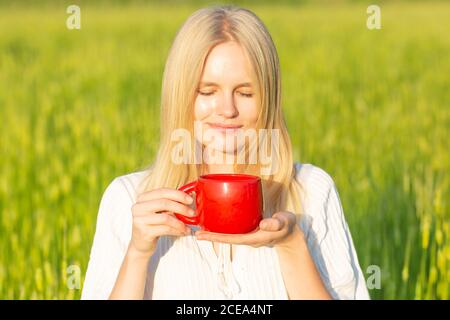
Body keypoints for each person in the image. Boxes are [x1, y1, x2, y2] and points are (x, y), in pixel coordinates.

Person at [81, 5, 370, 300]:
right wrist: (138, 253)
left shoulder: (311, 191)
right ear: (179, 95)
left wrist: (292, 245)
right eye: (207, 92)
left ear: (269, 98)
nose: (227, 110)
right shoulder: (129, 199)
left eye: (245, 93)